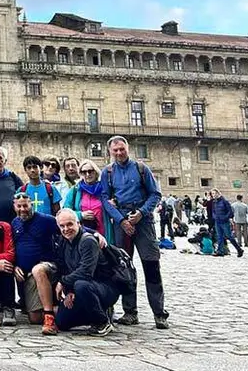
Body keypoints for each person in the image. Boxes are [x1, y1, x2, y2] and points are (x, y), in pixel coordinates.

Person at [100, 136, 168, 329]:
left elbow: (155, 194)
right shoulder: (108, 172)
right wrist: (121, 220)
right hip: (121, 222)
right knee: (124, 267)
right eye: (115, 150)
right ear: (110, 152)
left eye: (122, 149)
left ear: (127, 149)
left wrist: (141, 213)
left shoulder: (141, 169)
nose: (119, 153)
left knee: (151, 265)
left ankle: (159, 313)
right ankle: (130, 312)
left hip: (143, 221)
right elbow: (104, 198)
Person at [54, 209, 118, 336]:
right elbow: (64, 268)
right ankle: (98, 312)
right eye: (62, 226)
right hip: (81, 287)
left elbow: (85, 272)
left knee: (81, 285)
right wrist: (69, 291)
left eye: (70, 224)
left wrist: (62, 282)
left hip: (104, 287)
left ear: (78, 223)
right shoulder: (63, 242)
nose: (66, 229)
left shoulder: (88, 241)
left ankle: (102, 322)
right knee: (62, 322)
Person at [11, 191, 62, 335]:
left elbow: (67, 226)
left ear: (31, 204)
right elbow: (13, 248)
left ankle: (49, 316)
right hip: (28, 275)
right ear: (14, 207)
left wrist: (94, 234)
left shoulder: (46, 220)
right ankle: (68, 310)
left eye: (25, 206)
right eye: (19, 206)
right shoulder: (14, 223)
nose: (23, 209)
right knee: (34, 318)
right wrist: (15, 266)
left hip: (47, 267)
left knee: (38, 269)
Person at [62, 160, 113, 241]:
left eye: (90, 171)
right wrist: (80, 215)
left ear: (96, 172)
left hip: (104, 232)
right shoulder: (75, 190)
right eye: (84, 172)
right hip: (83, 235)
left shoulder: (104, 189)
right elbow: (65, 212)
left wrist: (114, 203)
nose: (87, 174)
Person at [210, 189, 243, 257]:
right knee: (219, 236)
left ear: (218, 193)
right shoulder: (214, 202)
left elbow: (230, 211)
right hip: (217, 221)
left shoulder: (225, 201)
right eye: (212, 194)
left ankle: (239, 249)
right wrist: (215, 217)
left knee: (229, 236)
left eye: (214, 193)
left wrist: (225, 217)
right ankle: (220, 251)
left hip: (224, 222)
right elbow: (213, 211)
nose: (213, 195)